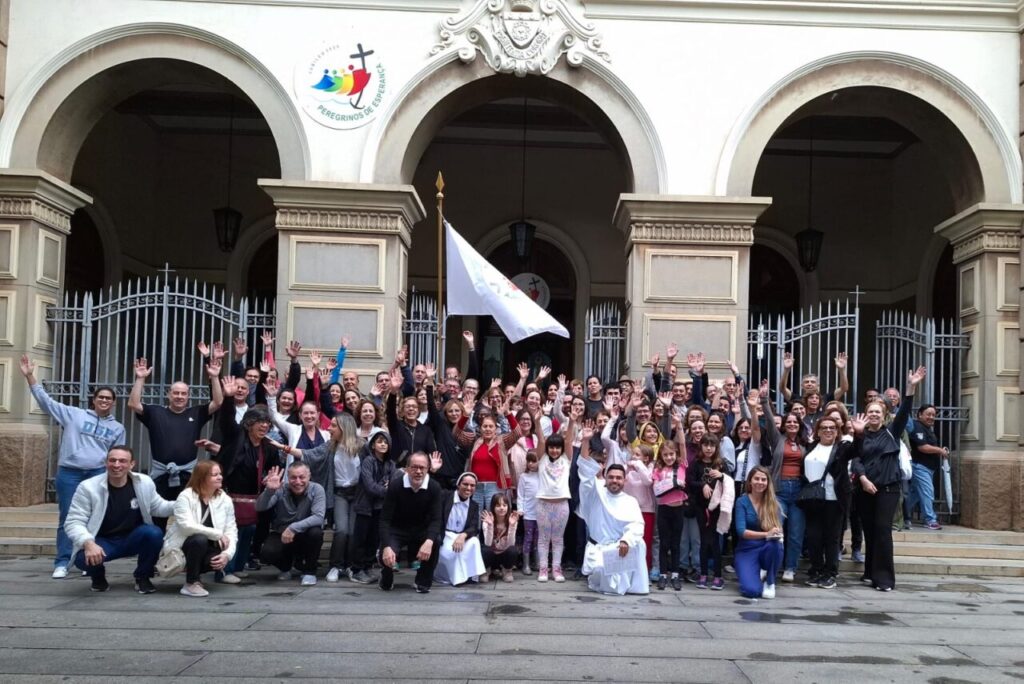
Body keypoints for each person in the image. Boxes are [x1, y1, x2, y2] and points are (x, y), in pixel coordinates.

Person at [19, 354, 127, 579]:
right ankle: (62, 561)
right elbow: (45, 402)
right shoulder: (74, 415)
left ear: (114, 403)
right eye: (101, 397)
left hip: (97, 474)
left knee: (94, 518)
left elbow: (119, 456)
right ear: (94, 400)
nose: (105, 401)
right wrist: (30, 376)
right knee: (68, 517)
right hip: (70, 473)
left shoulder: (117, 427)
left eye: (109, 399)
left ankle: (87, 560)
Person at [127, 351, 224, 525]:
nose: (179, 397)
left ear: (188, 396)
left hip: (189, 476)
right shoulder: (156, 412)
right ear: (169, 394)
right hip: (161, 475)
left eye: (183, 394)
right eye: (176, 393)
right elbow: (133, 404)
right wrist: (140, 378)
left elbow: (217, 402)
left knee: (191, 519)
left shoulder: (196, 413)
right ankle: (157, 551)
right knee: (157, 520)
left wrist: (215, 377)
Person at [852, 366, 926, 592]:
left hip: (888, 489)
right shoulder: (860, 434)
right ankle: (870, 572)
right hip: (864, 488)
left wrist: (910, 388)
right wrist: (863, 479)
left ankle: (884, 579)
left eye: (878, 412)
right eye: (870, 411)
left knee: (883, 529)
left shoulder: (892, 432)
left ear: (884, 415)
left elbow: (904, 412)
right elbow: (855, 459)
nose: (874, 414)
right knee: (870, 530)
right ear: (865, 414)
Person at [64, 446, 173, 593]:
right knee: (82, 559)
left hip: (133, 538)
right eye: (112, 460)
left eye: (122, 461)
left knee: (154, 533)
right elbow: (73, 522)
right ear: (106, 462)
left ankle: (143, 577)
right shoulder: (88, 487)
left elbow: (160, 507)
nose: (117, 465)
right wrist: (88, 543)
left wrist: (187, 503)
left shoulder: (144, 482)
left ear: (132, 464)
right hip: (103, 542)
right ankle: (98, 577)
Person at [272, 412, 363, 582]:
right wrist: (284, 447)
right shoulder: (330, 446)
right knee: (342, 530)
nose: (329, 429)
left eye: (334, 426)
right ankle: (335, 565)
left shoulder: (362, 447)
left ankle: (350, 566)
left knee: (353, 531)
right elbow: (308, 454)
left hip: (358, 494)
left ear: (344, 428)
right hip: (339, 493)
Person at [213, 399, 283, 583]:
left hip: (252, 499)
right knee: (229, 532)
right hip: (228, 494)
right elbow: (226, 419)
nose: (265, 426)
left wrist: (270, 478)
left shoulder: (268, 447)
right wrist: (227, 398)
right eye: (260, 422)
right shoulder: (235, 436)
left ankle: (237, 566)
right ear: (249, 423)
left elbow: (276, 468)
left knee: (249, 530)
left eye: (267, 422)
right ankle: (223, 570)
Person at [576, 424, 649, 595]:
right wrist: (586, 441)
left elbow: (637, 525)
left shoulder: (630, 501)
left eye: (618, 478)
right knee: (602, 571)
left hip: (621, 548)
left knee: (639, 542)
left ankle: (634, 585)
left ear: (624, 481)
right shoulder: (595, 492)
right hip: (599, 548)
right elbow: (586, 472)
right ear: (605, 478)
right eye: (611, 477)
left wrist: (626, 540)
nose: (614, 480)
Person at [161, 459, 237, 597]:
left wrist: (227, 555)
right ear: (202, 478)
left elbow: (231, 530)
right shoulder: (186, 496)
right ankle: (191, 583)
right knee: (199, 539)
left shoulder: (225, 499)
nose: (220, 477)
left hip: (210, 547)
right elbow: (186, 527)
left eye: (220, 473)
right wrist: (218, 534)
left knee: (215, 559)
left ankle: (197, 574)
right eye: (215, 475)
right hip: (183, 547)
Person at [760, 384, 809, 583]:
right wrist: (764, 400)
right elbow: (770, 421)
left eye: (794, 422)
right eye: (788, 422)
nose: (791, 425)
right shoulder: (777, 439)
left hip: (799, 491)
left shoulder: (806, 443)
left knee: (796, 533)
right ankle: (772, 566)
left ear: (799, 424)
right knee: (775, 532)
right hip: (779, 490)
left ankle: (790, 568)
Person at [800, 416, 855, 589]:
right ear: (817, 430)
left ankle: (830, 573)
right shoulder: (810, 447)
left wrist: (859, 433)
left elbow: (858, 450)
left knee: (831, 539)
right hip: (812, 498)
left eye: (832, 427)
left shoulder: (842, 448)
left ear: (838, 430)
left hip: (833, 499)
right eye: (824, 427)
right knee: (813, 537)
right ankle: (816, 569)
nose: (828, 430)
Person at [378, 452, 444, 594]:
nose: (418, 471)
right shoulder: (395, 485)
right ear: (407, 469)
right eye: (414, 467)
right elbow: (384, 519)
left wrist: (429, 541)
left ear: (428, 469)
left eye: (422, 468)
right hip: (397, 529)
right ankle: (386, 576)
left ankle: (423, 580)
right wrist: (387, 545)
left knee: (435, 541)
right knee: (387, 550)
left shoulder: (434, 487)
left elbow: (436, 519)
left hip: (422, 529)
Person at [255, 462, 326, 586]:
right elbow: (260, 507)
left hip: (305, 533)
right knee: (266, 553)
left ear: (309, 476)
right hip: (281, 533)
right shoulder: (280, 489)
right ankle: (286, 567)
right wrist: (269, 491)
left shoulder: (317, 489)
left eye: (302, 477)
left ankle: (309, 571)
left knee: (316, 533)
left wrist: (293, 527)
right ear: (288, 477)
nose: (298, 481)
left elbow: (319, 517)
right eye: (293, 477)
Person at [350, 429, 395, 584]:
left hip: (380, 508)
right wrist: (386, 489)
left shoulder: (391, 464)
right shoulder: (368, 461)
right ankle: (356, 569)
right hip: (365, 505)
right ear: (373, 445)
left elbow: (394, 485)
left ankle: (368, 567)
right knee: (361, 538)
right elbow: (369, 486)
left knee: (374, 540)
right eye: (379, 441)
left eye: (385, 442)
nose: (382, 444)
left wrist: (387, 488)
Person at [733, 466, 785, 599]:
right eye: (756, 478)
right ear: (750, 481)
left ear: (768, 483)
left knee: (777, 545)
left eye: (763, 479)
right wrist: (766, 534)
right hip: (747, 549)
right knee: (752, 591)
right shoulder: (741, 501)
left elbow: (779, 532)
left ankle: (770, 581)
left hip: (767, 548)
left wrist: (774, 534)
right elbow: (741, 531)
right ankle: (758, 573)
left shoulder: (774, 504)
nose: (760, 482)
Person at [687, 433, 728, 590]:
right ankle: (703, 573)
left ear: (716, 447)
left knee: (715, 542)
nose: (709, 448)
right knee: (704, 541)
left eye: (712, 445)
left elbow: (729, 482)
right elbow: (690, 481)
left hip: (717, 508)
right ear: (701, 446)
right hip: (700, 507)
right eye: (706, 445)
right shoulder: (696, 463)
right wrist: (702, 485)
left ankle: (718, 575)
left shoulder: (720, 464)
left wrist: (722, 475)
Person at [434, 472, 485, 586]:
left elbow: (474, 527)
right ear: (458, 485)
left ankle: (471, 576)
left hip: (462, 535)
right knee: (450, 552)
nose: (468, 488)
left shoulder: (474, 505)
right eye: (465, 484)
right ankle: (455, 578)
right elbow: (434, 488)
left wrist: (463, 536)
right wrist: (433, 471)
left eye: (472, 486)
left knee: (474, 542)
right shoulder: (445, 496)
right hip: (445, 535)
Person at [907, 404, 946, 530]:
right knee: (927, 492)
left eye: (933, 415)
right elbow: (922, 447)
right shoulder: (917, 426)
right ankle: (930, 520)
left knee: (914, 495)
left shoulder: (927, 428)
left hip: (928, 468)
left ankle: (901, 515)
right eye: (928, 414)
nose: (931, 417)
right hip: (919, 467)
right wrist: (940, 450)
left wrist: (939, 451)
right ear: (919, 415)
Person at [481, 492, 520, 582]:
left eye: (504, 505)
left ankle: (507, 570)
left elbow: (511, 544)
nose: (502, 508)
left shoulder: (512, 520)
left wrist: (512, 526)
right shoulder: (487, 520)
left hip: (504, 555)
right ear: (493, 507)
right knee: (484, 549)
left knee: (513, 550)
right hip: (492, 555)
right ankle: (487, 570)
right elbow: (488, 543)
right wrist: (490, 525)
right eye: (498, 505)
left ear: (508, 507)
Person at [516, 452, 540, 575]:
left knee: (539, 538)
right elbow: (520, 495)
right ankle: (526, 564)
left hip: (541, 514)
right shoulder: (524, 477)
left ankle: (537, 562)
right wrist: (521, 509)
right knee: (528, 537)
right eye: (529, 461)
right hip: (529, 514)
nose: (531, 464)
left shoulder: (543, 476)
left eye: (534, 461)